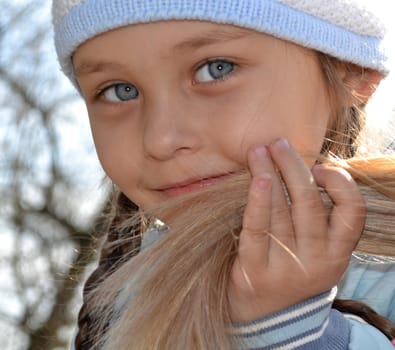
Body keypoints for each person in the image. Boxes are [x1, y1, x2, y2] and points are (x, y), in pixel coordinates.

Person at [52, 0, 395, 349]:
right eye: (120, 91)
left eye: (216, 69)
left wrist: (288, 328)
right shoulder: (124, 296)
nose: (160, 139)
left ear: (351, 71)